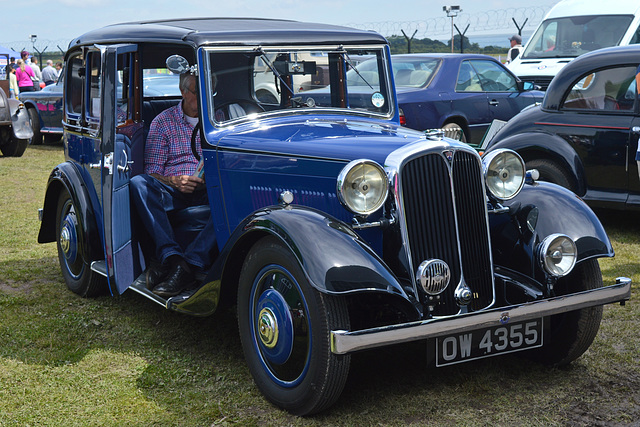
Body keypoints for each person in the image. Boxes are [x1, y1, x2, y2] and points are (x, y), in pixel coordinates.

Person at [130, 72, 216, 297]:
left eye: (211, 91)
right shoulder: (163, 121)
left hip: (210, 188)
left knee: (236, 198)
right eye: (200, 92)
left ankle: (189, 264)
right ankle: (173, 257)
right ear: (184, 92)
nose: (207, 98)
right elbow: (153, 172)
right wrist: (175, 181)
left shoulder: (220, 119)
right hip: (173, 190)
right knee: (139, 183)